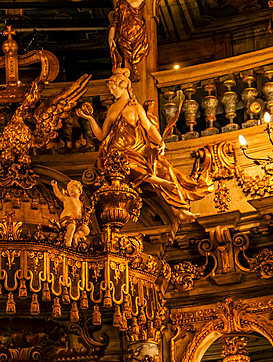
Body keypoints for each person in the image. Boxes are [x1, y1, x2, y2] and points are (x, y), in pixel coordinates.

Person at [76, 68, 213, 222]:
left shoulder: (136, 107)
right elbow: (101, 135)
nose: (111, 93)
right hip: (118, 153)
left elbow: (149, 128)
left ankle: (180, 209)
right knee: (130, 166)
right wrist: (90, 118)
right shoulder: (113, 109)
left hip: (139, 149)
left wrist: (160, 142)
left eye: (112, 89)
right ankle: (160, 182)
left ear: (122, 87)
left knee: (165, 169)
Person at [52, 180, 89, 247]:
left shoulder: (80, 203)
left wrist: (87, 212)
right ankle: (68, 243)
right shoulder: (67, 198)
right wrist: (55, 186)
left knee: (86, 230)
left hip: (77, 221)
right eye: (69, 189)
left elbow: (82, 212)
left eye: (72, 188)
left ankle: (76, 236)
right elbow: (58, 194)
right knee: (71, 227)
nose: (70, 190)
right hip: (67, 218)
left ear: (79, 191)